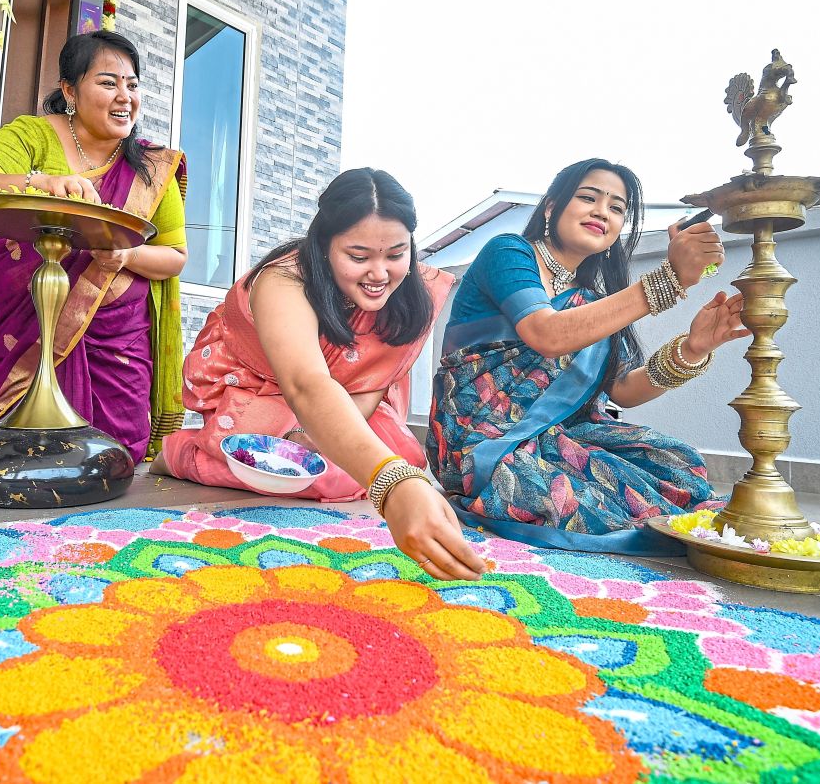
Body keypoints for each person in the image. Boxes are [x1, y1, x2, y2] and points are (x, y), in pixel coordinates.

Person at [156, 168, 486, 581]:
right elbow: (305, 384)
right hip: (259, 390)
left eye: (396, 254)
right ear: (324, 245)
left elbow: (371, 381)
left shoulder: (416, 293)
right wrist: (392, 483)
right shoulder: (284, 281)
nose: (380, 274)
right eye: (359, 257)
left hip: (337, 399)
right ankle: (184, 454)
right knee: (301, 471)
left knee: (369, 464)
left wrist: (321, 441)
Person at [428, 158, 750, 554]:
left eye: (617, 208)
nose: (603, 211)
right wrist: (668, 280)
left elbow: (623, 390)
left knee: (676, 464)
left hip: (558, 435)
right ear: (551, 206)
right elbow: (547, 333)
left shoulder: (594, 302)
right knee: (567, 500)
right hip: (483, 441)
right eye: (588, 198)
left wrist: (694, 348)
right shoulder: (508, 253)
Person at [0, 31, 186, 462]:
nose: (124, 96)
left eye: (132, 84)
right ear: (70, 90)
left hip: (116, 335)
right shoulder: (33, 138)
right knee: (16, 453)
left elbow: (175, 257)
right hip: (23, 314)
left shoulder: (150, 166)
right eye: (108, 83)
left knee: (112, 456)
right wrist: (40, 184)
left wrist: (126, 255)